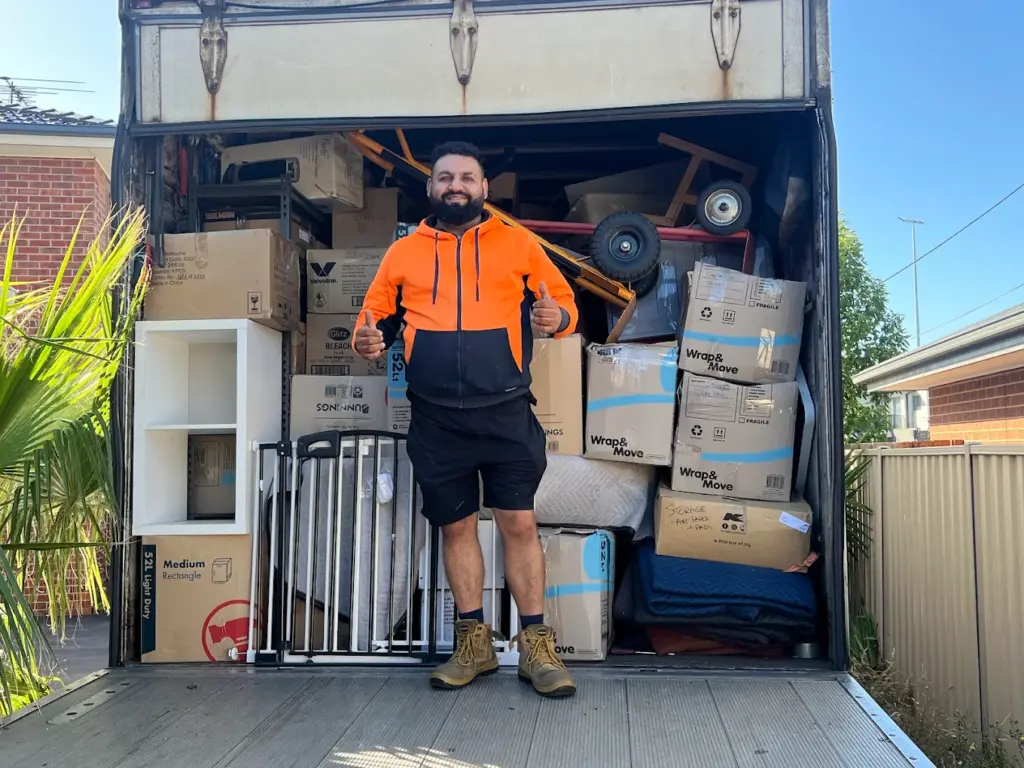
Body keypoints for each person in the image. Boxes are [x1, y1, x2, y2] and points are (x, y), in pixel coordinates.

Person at [352, 141, 579, 698]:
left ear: (484, 189)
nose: (457, 185)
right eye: (446, 177)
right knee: (456, 528)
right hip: (436, 418)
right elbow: (371, 322)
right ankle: (474, 647)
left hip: (504, 413)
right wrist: (365, 342)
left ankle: (534, 649)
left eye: (467, 177)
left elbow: (565, 304)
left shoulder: (517, 241)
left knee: (519, 526)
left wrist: (558, 316)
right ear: (431, 188)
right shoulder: (403, 252)